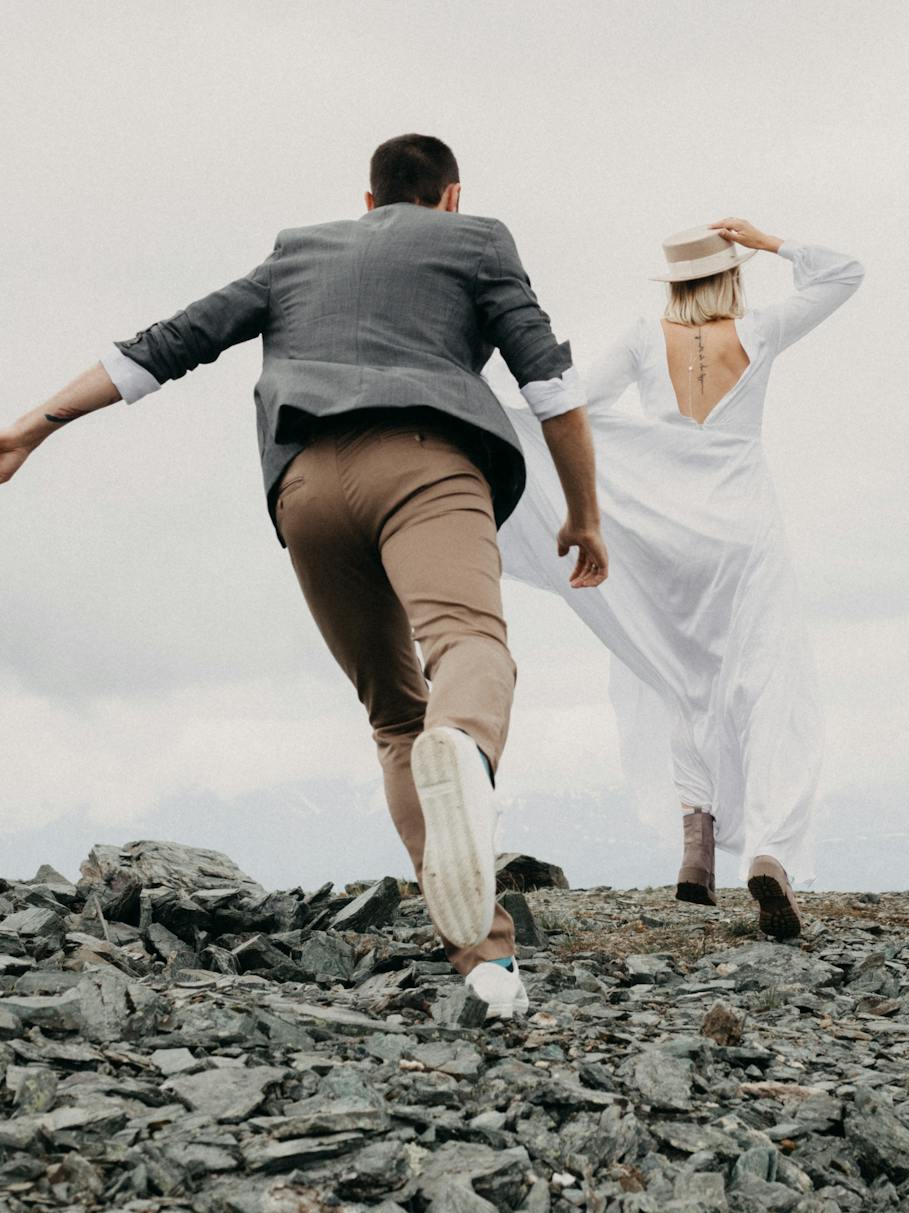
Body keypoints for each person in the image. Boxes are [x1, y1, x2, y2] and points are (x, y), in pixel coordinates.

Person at [0, 133, 608, 1018]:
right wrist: (584, 514)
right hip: (425, 459)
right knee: (468, 647)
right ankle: (470, 757)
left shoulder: (298, 251)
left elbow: (170, 343)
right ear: (451, 196)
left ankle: (486, 966)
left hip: (306, 487)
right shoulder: (475, 239)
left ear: (366, 204)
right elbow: (549, 381)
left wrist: (34, 425)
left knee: (395, 715)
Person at [495, 218, 864, 939]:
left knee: (674, 673)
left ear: (673, 284)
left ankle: (697, 850)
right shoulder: (758, 332)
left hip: (664, 528)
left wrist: (490, 412)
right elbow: (845, 273)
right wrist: (771, 243)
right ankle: (768, 849)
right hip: (743, 531)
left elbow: (569, 408)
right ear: (729, 277)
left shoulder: (641, 337)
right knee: (768, 681)